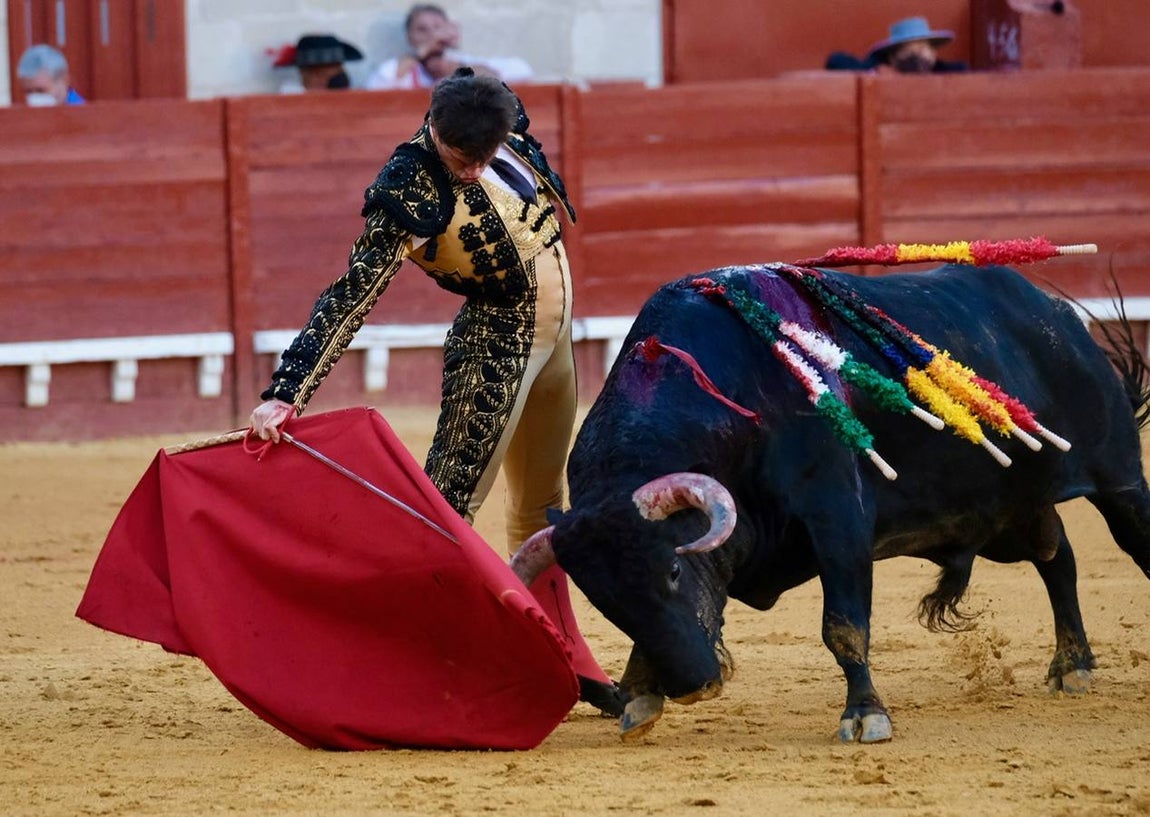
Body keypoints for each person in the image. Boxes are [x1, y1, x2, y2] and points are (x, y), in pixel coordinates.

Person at [248, 68, 622, 717]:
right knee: (441, 515)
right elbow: (351, 292)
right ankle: (391, 668)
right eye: (461, 158)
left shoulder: (496, 118)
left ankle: (569, 658)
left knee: (542, 507)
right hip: (495, 349)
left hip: (555, 344)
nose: (474, 170)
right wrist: (288, 391)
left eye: (484, 156)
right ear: (432, 129)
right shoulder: (409, 186)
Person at [366, 4, 532, 90]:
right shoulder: (398, 69)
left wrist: (456, 69)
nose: (431, 35)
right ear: (409, 38)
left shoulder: (463, 62)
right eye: (421, 29)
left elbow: (522, 71)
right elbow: (375, 87)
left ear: (448, 29)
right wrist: (419, 55)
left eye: (437, 27)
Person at [864, 16, 968, 74]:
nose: (916, 56)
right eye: (907, 50)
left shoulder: (953, 73)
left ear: (933, 54)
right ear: (892, 59)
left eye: (922, 48)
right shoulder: (878, 76)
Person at [273, 33, 364, 92]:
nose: (324, 80)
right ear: (304, 73)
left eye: (337, 71)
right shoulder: (291, 93)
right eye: (319, 74)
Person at [16, 44, 85, 105]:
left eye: (41, 91)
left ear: (64, 80)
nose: (34, 98)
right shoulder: (25, 116)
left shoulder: (85, 116)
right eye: (28, 91)